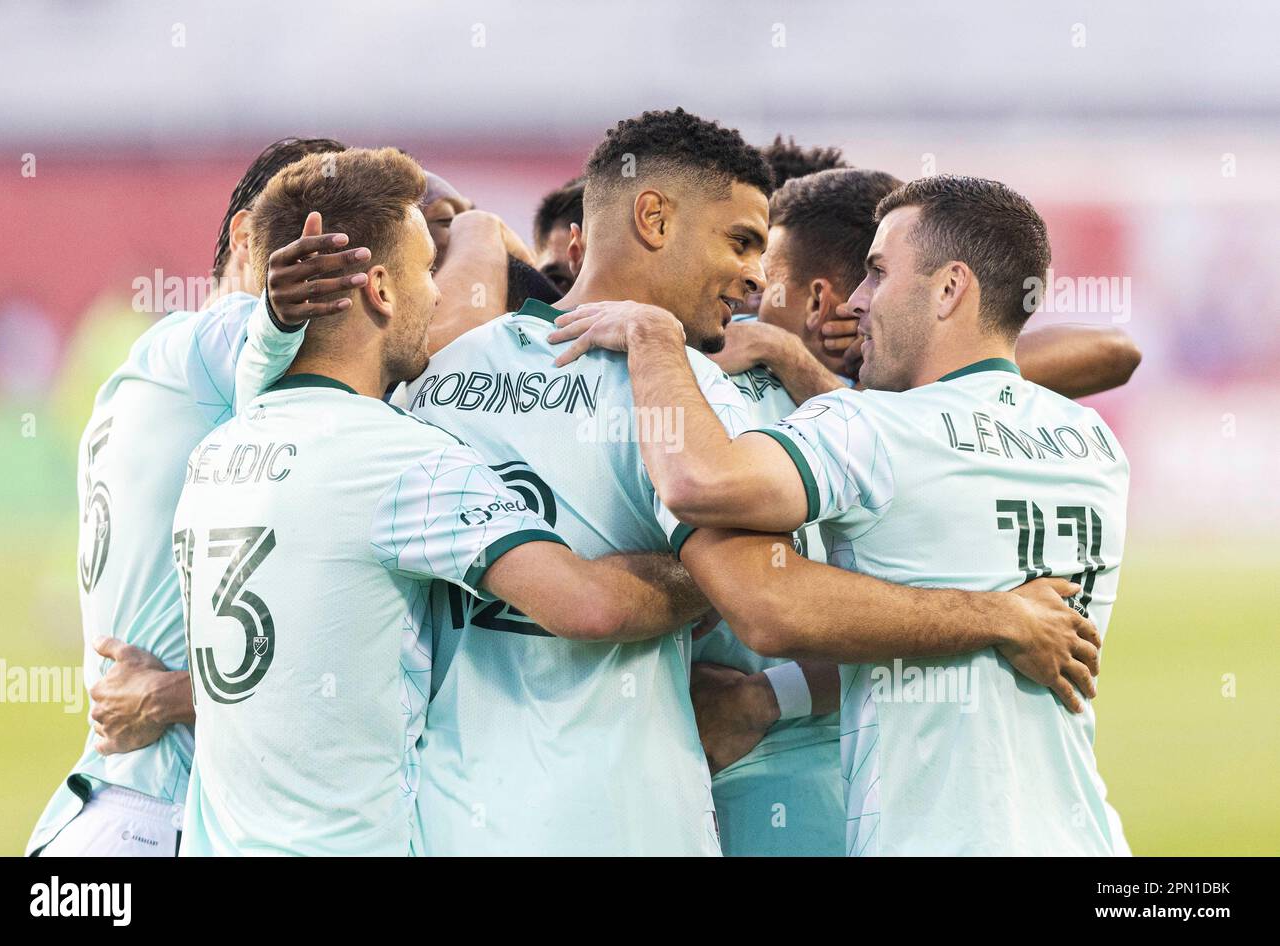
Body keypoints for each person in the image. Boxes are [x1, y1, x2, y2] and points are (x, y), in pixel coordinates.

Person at [238, 110, 1099, 857]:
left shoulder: (435, 376)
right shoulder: (697, 399)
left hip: (458, 815)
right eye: (740, 241)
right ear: (652, 217)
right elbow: (773, 600)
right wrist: (993, 615)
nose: (757, 277)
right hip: (634, 818)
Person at [549, 174, 1130, 855]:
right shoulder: (1092, 443)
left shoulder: (872, 426)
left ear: (949, 289)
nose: (858, 301)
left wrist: (653, 339)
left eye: (879, 274)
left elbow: (702, 485)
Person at [177, 147, 706, 856]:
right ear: (382, 290)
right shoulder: (401, 457)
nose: (436, 294)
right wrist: (717, 574)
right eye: (428, 269)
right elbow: (590, 605)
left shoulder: (218, 450)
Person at [26, 137, 347, 858]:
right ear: (247, 237)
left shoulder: (157, 375)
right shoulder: (209, 342)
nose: (342, 282)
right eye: (323, 250)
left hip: (110, 810)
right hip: (166, 817)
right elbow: (264, 330)